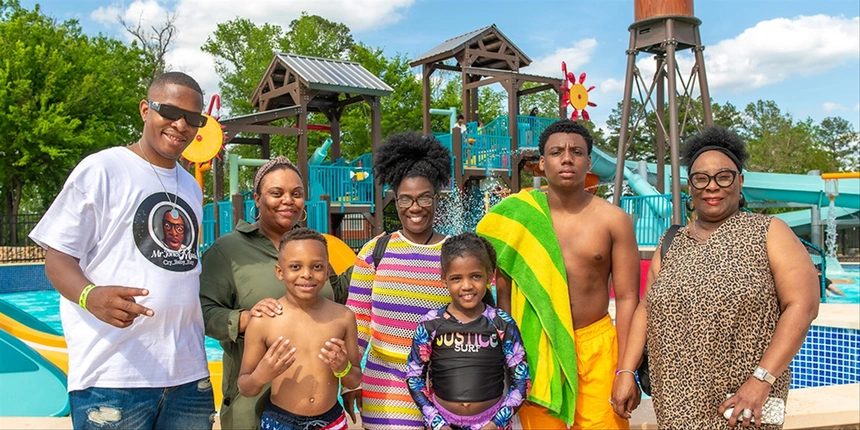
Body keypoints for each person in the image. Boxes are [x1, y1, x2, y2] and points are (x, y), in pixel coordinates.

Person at [28, 72, 215, 428]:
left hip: (188, 376)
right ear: (146, 109)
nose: (181, 125)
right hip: (114, 377)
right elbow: (57, 256)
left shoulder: (191, 187)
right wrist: (89, 295)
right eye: (170, 112)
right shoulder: (103, 168)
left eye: (193, 118)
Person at [611, 126, 820, 429]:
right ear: (689, 187)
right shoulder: (671, 243)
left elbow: (803, 306)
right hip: (676, 404)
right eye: (701, 178)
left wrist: (761, 380)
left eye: (724, 177)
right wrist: (626, 372)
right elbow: (647, 308)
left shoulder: (769, 232)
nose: (712, 186)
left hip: (742, 403)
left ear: (740, 181)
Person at [477, 119, 640, 429]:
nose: (567, 158)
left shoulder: (614, 220)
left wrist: (625, 370)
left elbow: (629, 296)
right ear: (542, 163)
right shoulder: (518, 217)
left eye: (577, 152)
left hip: (596, 348)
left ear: (589, 161)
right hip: (537, 345)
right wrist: (509, 355)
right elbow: (503, 287)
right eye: (556, 152)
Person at [199, 156, 350, 429]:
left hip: (317, 408)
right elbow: (200, 312)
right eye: (276, 193)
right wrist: (243, 319)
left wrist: (373, 257)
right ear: (256, 198)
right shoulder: (228, 251)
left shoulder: (310, 247)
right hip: (253, 406)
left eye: (296, 194)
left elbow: (335, 294)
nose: (288, 201)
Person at [344, 132, 458, 429]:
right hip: (386, 384)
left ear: (436, 199)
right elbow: (358, 322)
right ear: (395, 200)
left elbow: (478, 316)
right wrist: (350, 378)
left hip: (446, 384)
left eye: (424, 198)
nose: (415, 207)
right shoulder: (374, 252)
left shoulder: (457, 253)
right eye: (405, 199)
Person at [237, 228, 360, 430]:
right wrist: (261, 375)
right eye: (295, 266)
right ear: (280, 271)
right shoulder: (264, 320)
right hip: (280, 421)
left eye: (317, 266)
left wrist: (343, 368)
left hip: (332, 421)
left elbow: (355, 378)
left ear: (328, 271)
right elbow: (245, 387)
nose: (306, 274)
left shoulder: (343, 317)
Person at [406, 232, 530, 430]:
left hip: (492, 423)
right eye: (456, 278)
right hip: (443, 424)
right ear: (444, 279)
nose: (466, 286)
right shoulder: (430, 325)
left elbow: (522, 380)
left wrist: (495, 423)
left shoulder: (502, 324)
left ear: (489, 276)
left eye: (476, 276)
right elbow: (414, 377)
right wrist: (437, 423)